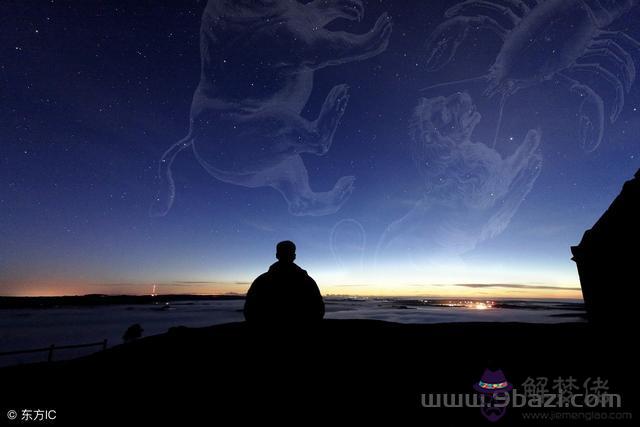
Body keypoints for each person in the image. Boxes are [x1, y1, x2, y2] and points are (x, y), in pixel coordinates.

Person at [244, 240, 325, 323]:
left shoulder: (261, 280)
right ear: (294, 256)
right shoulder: (307, 281)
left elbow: (249, 310)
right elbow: (318, 310)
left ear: (277, 255)